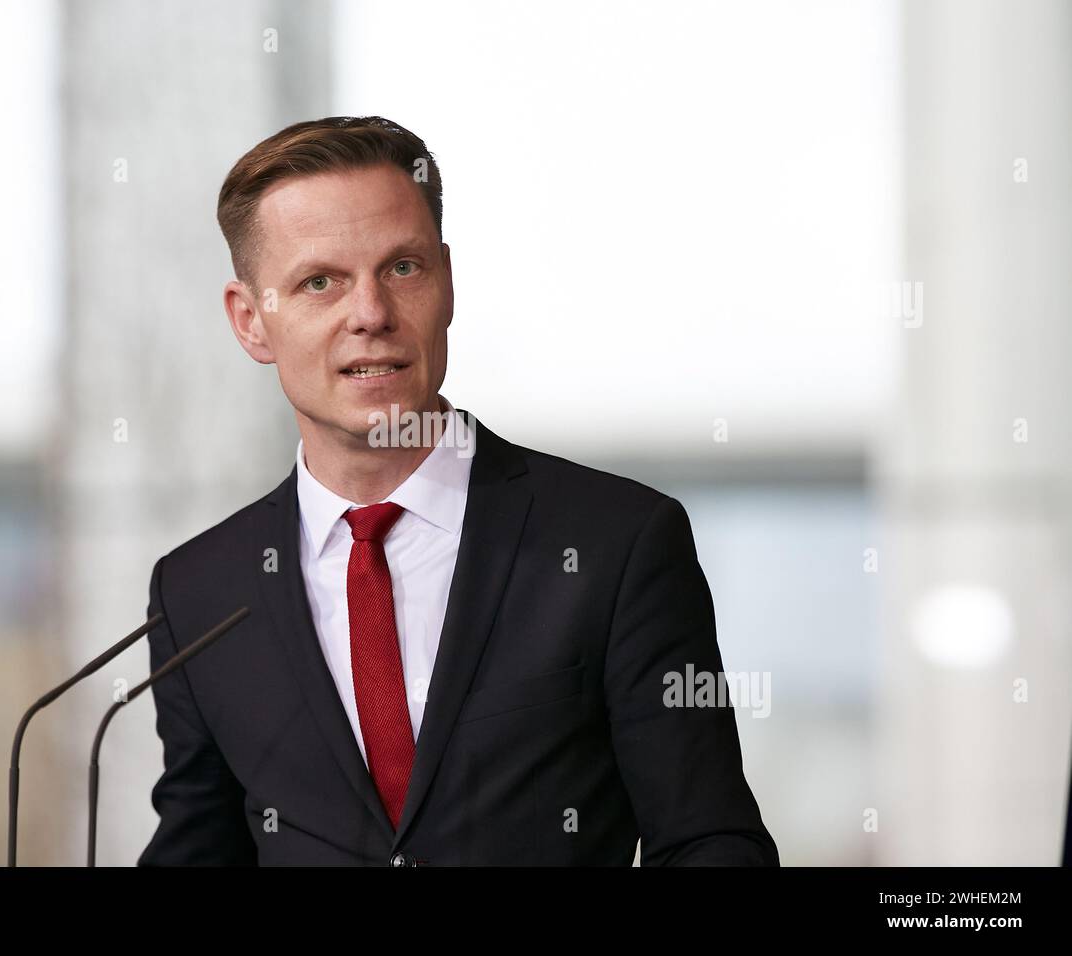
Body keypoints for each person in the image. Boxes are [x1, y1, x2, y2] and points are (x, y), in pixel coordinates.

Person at [137, 116, 778, 866]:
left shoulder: (617, 545)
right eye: (321, 282)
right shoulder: (201, 594)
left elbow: (711, 843)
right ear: (251, 321)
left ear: (447, 281)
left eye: (402, 268)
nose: (371, 314)